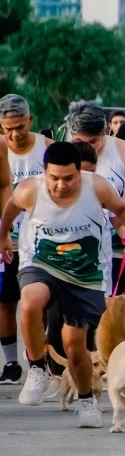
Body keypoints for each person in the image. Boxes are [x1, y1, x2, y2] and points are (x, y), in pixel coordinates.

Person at [5, 142, 125, 422]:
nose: (60, 185)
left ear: (80, 172)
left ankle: (85, 399)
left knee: (74, 343)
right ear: (45, 173)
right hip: (42, 262)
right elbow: (10, 207)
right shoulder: (30, 189)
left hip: (84, 273)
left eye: (68, 178)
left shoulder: (98, 187)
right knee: (31, 301)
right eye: (54, 178)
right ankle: (36, 367)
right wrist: (3, 235)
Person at [67, 102, 125, 312]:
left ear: (104, 131)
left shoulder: (124, 151)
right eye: (78, 141)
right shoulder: (63, 153)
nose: (86, 147)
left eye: (93, 141)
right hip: (80, 242)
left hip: (124, 238)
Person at [0, 95, 42, 384]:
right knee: (5, 301)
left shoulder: (47, 149)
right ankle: (12, 363)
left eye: (19, 126)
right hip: (7, 238)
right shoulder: (2, 149)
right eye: (7, 128)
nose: (14, 134)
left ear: (30, 120)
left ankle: (38, 360)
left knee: (35, 301)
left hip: (37, 239)